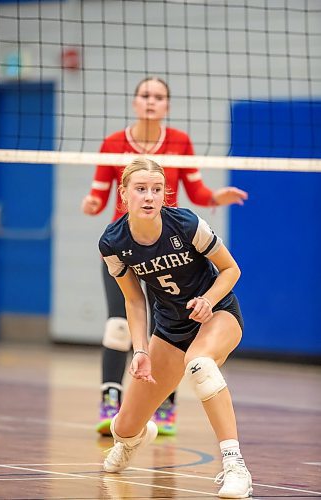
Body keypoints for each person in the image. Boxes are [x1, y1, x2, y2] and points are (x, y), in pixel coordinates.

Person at [82, 77, 248, 437]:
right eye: (145, 95)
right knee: (120, 323)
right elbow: (98, 193)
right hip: (126, 247)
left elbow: (197, 190)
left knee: (169, 324)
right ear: (135, 102)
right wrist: (92, 204)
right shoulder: (112, 143)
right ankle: (110, 399)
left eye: (159, 97)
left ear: (167, 105)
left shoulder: (179, 142)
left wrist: (218, 197)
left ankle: (164, 404)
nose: (151, 101)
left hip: (170, 245)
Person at [99, 157, 253, 499]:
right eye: (140, 190)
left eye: (156, 190)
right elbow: (135, 301)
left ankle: (235, 466)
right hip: (169, 330)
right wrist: (140, 350)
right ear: (124, 194)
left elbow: (231, 270)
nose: (149, 197)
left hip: (217, 315)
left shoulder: (185, 224)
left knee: (201, 365)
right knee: (123, 427)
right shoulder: (112, 242)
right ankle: (134, 439)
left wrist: (209, 300)